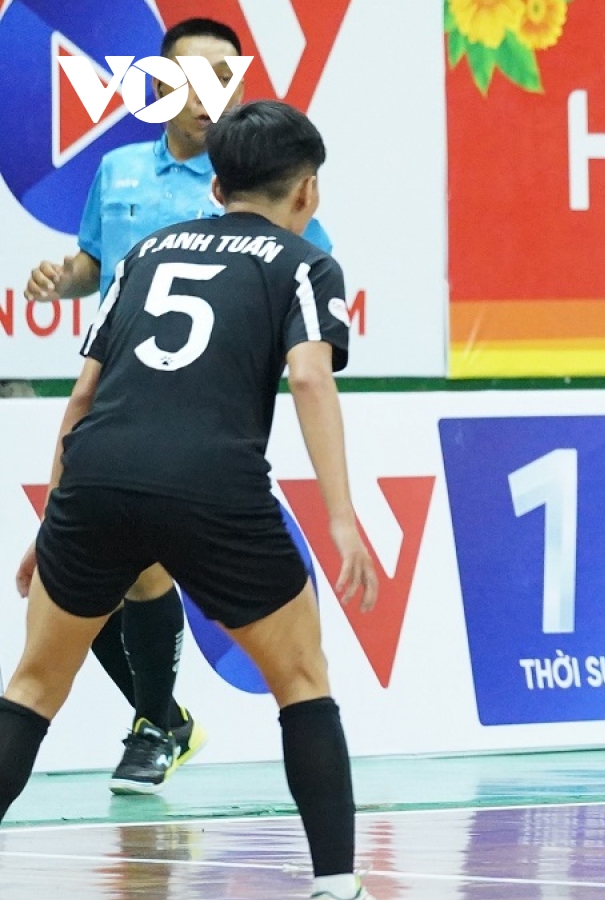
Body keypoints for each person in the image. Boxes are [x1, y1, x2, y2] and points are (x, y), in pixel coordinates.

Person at [0, 99, 378, 900]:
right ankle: (336, 884)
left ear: (216, 185)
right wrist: (343, 519)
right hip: (212, 483)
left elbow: (82, 399)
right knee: (304, 681)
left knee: (31, 689)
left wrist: (54, 516)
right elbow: (310, 378)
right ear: (306, 191)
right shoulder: (305, 262)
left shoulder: (145, 253)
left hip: (98, 476)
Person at [18, 16, 331, 794]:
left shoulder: (256, 188)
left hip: (201, 411)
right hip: (114, 389)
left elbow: (307, 279)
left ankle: (157, 725)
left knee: (141, 566)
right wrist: (63, 277)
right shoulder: (119, 170)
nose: (207, 95)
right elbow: (95, 264)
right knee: (92, 581)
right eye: (190, 78)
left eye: (224, 78)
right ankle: (163, 719)